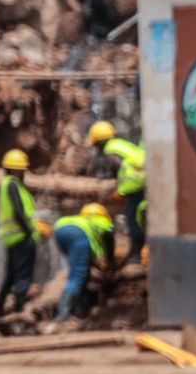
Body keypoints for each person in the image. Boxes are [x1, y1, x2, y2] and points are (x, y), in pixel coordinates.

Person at [0, 149, 44, 319]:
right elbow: (19, 212)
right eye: (20, 169)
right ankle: (19, 313)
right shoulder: (12, 184)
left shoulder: (10, 184)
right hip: (21, 237)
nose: (22, 173)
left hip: (13, 238)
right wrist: (30, 232)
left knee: (10, 277)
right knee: (23, 278)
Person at [86, 121, 148, 264]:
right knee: (136, 216)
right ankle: (136, 252)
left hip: (136, 186)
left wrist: (120, 186)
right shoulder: (120, 144)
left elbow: (119, 166)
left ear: (98, 142)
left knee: (132, 219)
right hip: (143, 183)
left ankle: (136, 255)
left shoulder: (110, 150)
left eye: (95, 144)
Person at [52, 203, 114, 321]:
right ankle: (63, 315)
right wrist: (110, 263)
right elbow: (110, 243)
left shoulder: (81, 220)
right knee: (78, 276)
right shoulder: (104, 222)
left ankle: (79, 310)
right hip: (78, 236)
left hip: (60, 230)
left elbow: (87, 256)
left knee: (79, 273)